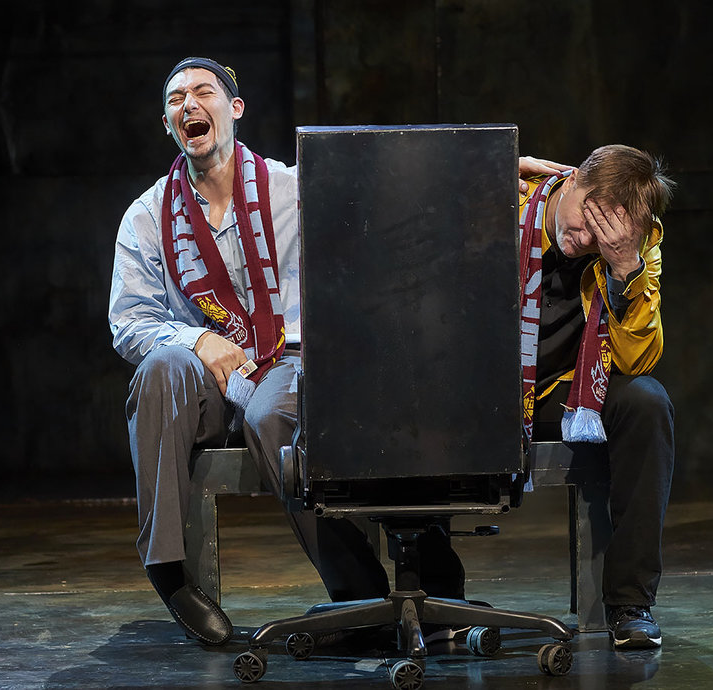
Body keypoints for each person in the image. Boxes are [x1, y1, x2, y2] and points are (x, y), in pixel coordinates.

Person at [110, 57, 518, 646]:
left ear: (234, 109)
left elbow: (391, 197)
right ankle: (168, 572)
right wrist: (196, 338)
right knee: (160, 367)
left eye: (203, 92)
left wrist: (484, 171)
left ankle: (360, 593)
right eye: (176, 99)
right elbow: (129, 321)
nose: (189, 105)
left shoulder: (295, 188)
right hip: (202, 376)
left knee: (272, 414)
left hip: (289, 358)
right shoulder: (148, 216)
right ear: (169, 123)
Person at [517, 146, 675, 649]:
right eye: (585, 220)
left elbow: (637, 360)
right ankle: (432, 599)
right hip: (482, 387)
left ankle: (630, 602)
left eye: (603, 234)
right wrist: (478, 167)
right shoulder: (506, 202)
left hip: (565, 394)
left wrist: (624, 269)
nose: (586, 240)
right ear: (571, 182)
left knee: (646, 401)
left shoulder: (634, 243)